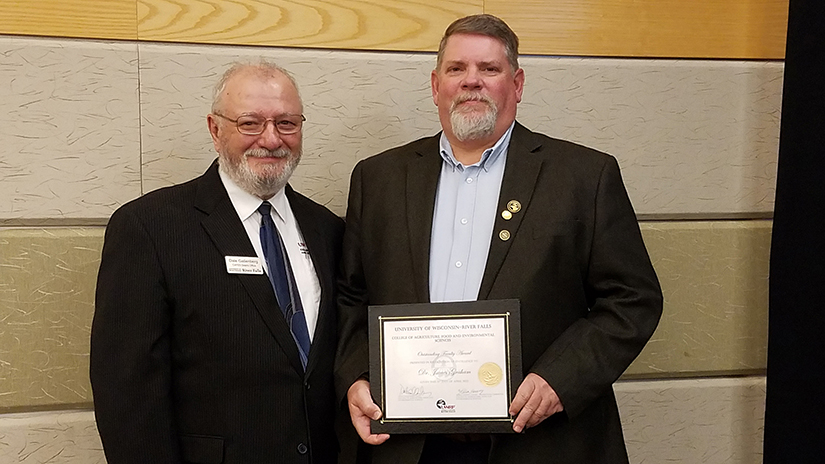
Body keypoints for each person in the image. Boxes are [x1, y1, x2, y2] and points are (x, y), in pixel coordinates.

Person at [335, 14, 663, 464]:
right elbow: (351, 296)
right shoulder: (378, 178)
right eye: (456, 69)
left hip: (540, 443)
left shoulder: (584, 176)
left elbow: (633, 299)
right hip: (412, 447)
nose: (472, 81)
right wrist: (356, 377)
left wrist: (559, 380)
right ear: (435, 85)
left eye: (489, 69)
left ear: (517, 83)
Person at [91, 61, 345, 464]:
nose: (271, 139)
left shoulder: (329, 230)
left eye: (287, 123)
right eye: (249, 123)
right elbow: (127, 393)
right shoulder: (150, 228)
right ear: (215, 129)